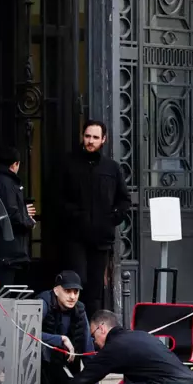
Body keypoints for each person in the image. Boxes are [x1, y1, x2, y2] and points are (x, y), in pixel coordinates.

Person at [57, 119, 131, 313]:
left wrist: (112, 218)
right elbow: (58, 197)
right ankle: (75, 330)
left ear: (103, 139)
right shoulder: (68, 164)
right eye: (88, 136)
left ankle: (93, 334)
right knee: (76, 283)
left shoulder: (112, 168)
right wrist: (74, 216)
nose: (91, 141)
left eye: (95, 137)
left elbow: (124, 199)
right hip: (75, 237)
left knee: (96, 289)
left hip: (101, 239)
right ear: (83, 137)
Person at [36, 271, 107, 384]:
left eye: (76, 292)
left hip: (67, 371)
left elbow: (88, 351)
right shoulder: (44, 303)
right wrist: (60, 339)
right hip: (42, 370)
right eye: (67, 291)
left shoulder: (80, 310)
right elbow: (27, 333)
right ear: (56, 290)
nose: (72, 296)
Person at [0, 146, 37, 289]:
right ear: (15, 164)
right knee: (7, 297)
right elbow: (12, 216)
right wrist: (29, 222)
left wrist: (23, 212)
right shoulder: (8, 183)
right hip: (9, 251)